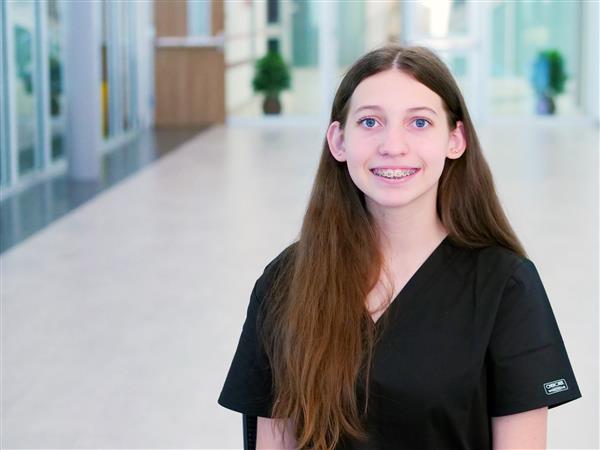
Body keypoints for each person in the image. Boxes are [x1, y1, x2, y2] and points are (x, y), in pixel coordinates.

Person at [218, 45, 582, 450]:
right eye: (370, 121)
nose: (393, 145)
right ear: (339, 141)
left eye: (420, 123)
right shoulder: (287, 281)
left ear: (455, 139)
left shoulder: (506, 285)